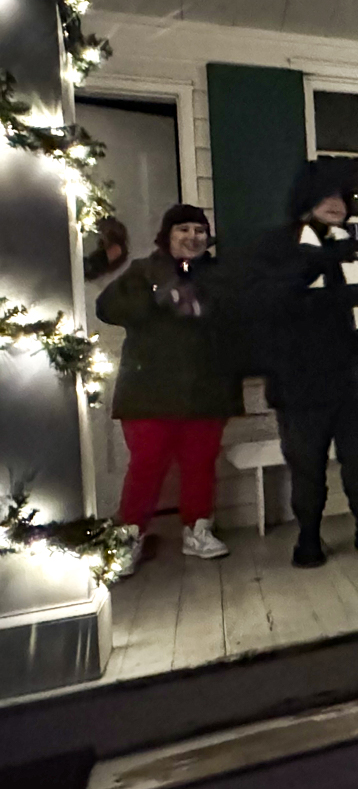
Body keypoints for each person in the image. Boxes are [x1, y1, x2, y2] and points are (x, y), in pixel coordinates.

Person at [246, 161, 358, 568]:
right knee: (307, 466)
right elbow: (268, 305)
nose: (337, 204)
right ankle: (309, 535)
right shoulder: (277, 246)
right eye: (327, 195)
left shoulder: (352, 246)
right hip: (302, 383)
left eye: (342, 196)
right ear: (306, 199)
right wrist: (314, 262)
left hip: (357, 382)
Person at [96, 205, 243, 565]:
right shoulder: (143, 271)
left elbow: (236, 318)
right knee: (146, 465)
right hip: (149, 390)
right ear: (167, 235)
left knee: (200, 463)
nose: (192, 237)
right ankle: (130, 536)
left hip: (206, 388)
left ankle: (198, 530)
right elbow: (107, 308)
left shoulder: (220, 274)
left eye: (199, 230)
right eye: (183, 230)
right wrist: (160, 292)